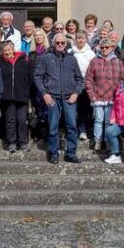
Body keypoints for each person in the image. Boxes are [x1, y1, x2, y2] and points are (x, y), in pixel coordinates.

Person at [34, 32, 84, 164]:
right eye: (58, 43)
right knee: (53, 126)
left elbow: (79, 79)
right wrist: (44, 93)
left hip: (69, 97)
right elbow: (38, 77)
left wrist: (76, 93)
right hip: (53, 97)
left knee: (72, 125)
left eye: (63, 43)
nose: (60, 45)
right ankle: (53, 153)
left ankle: (71, 153)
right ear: (53, 43)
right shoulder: (46, 58)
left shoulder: (72, 59)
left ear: (66, 44)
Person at [85, 38, 124, 151]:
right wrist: (92, 95)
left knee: (108, 121)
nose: (104, 49)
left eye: (107, 47)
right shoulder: (94, 61)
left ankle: (107, 141)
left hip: (112, 97)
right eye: (102, 47)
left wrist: (119, 95)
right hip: (98, 96)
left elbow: (123, 79)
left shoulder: (118, 61)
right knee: (98, 120)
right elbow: (88, 79)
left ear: (111, 48)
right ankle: (97, 141)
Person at [0, 41, 31, 152]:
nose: (7, 52)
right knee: (10, 120)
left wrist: (28, 93)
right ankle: (11, 142)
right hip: (7, 97)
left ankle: (22, 142)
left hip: (22, 96)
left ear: (13, 50)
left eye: (9, 49)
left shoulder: (24, 60)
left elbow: (29, 78)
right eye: (5, 50)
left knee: (22, 120)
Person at [72, 30, 96, 141]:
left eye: (82, 38)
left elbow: (93, 71)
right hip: (73, 85)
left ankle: (83, 131)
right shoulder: (70, 52)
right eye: (78, 38)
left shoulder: (91, 54)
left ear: (86, 40)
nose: (80, 40)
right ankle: (72, 131)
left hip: (86, 85)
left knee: (84, 110)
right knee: (73, 110)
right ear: (75, 40)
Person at [29, 28, 50, 138]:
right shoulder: (31, 54)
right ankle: (37, 134)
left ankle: (46, 132)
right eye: (36, 35)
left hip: (46, 86)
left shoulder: (49, 51)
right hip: (34, 87)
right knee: (36, 110)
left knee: (46, 110)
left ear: (44, 37)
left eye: (40, 35)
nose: (38, 37)